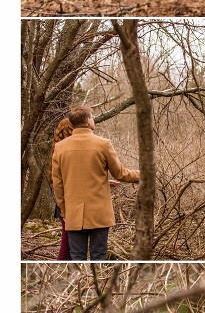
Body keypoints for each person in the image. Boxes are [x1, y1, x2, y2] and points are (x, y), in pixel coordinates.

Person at [50, 104, 140, 262]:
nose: (94, 120)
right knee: (99, 257)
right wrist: (142, 174)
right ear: (87, 121)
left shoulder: (60, 147)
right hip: (99, 213)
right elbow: (120, 173)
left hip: (74, 214)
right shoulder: (103, 144)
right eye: (92, 117)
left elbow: (58, 185)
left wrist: (65, 211)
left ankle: (82, 284)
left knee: (77, 259)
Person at [49, 117, 73, 260]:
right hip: (66, 201)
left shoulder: (59, 148)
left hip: (65, 201)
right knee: (67, 245)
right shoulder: (64, 149)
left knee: (70, 244)